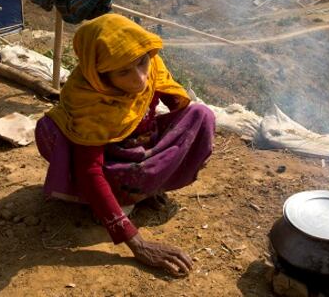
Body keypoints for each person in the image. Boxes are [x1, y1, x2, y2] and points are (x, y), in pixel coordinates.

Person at [35, 14, 215, 276]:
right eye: (123, 72)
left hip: (142, 145)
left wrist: (194, 146)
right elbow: (90, 171)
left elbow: (178, 103)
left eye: (142, 63)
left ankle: (141, 191)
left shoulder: (147, 61)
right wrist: (137, 243)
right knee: (51, 130)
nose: (140, 79)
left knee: (202, 116)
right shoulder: (87, 97)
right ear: (101, 75)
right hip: (112, 162)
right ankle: (113, 201)